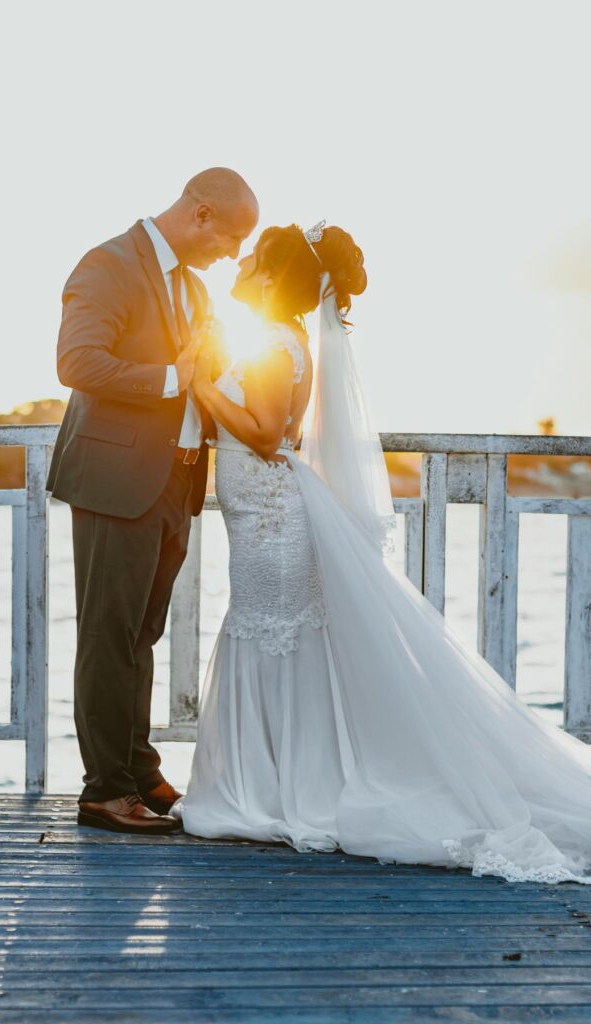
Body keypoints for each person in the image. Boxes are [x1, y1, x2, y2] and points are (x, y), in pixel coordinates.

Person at [172, 220, 591, 885]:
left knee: (270, 632)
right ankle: (270, 782)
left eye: (253, 260)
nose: (243, 267)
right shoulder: (277, 339)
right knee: (265, 632)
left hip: (274, 513)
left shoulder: (277, 343)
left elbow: (264, 431)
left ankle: (278, 790)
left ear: (274, 277)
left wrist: (199, 385)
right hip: (261, 512)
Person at [46, 168, 259, 834]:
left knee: (142, 634)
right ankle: (103, 791)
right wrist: (175, 375)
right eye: (229, 238)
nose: (230, 255)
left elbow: (208, 376)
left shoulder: (193, 288)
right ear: (199, 214)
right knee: (108, 637)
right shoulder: (108, 264)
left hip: (176, 479)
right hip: (116, 479)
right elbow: (78, 363)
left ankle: (138, 771)